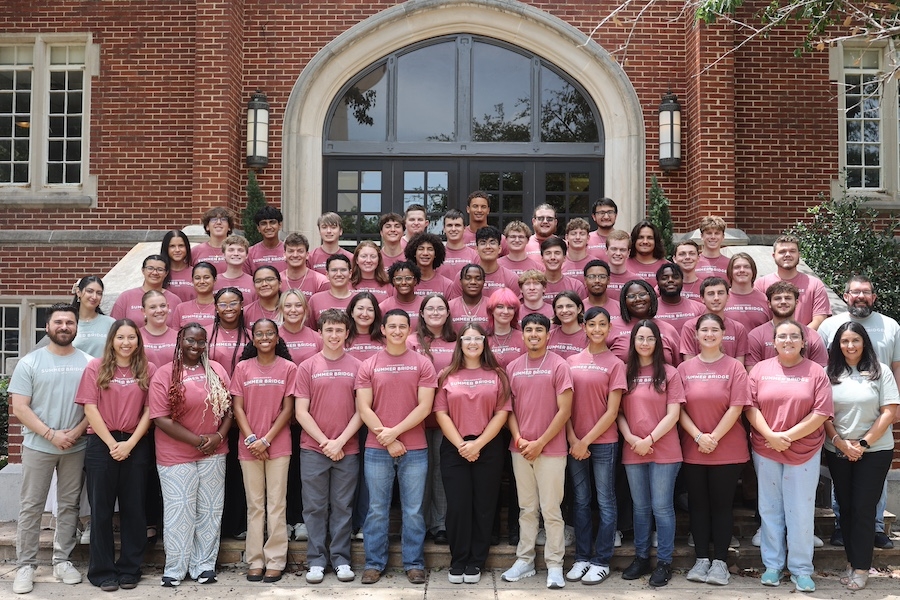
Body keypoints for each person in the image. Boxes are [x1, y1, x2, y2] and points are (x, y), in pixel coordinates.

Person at [746, 319, 832, 592]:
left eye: (794, 336)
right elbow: (750, 407)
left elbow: (821, 413)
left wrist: (788, 437)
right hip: (766, 447)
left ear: (804, 341)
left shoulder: (816, 371)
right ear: (773, 341)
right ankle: (772, 565)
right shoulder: (760, 370)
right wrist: (771, 436)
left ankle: (801, 568)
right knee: (770, 507)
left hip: (804, 450)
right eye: (782, 336)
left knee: (801, 510)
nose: (788, 341)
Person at [10, 304, 91, 595]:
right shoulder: (30, 363)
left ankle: (62, 560)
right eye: (59, 322)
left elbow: (94, 407)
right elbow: (20, 407)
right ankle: (26, 565)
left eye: (70, 322)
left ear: (76, 327)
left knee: (69, 506)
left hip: (76, 445)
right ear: (48, 327)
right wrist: (50, 434)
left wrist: (76, 432)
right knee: (31, 507)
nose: (64, 326)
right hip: (38, 446)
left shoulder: (88, 362)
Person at [354, 309, 438, 585]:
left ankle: (413, 563)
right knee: (377, 508)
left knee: (413, 509)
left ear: (409, 329)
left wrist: (394, 434)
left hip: (414, 448)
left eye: (403, 326)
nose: (398, 331)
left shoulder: (422, 363)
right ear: (384, 329)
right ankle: (374, 563)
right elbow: (363, 407)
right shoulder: (369, 364)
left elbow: (425, 406)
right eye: (393, 326)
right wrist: (387, 439)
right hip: (377, 450)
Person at [818, 274, 900, 550]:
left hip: (877, 414)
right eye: (855, 292)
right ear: (845, 296)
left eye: (866, 292)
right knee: (843, 482)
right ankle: (843, 526)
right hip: (840, 419)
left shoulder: (890, 326)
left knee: (873, 482)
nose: (861, 296)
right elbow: (821, 370)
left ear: (874, 297)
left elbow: (897, 368)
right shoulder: (829, 326)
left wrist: (894, 404)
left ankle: (875, 528)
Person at [148, 323, 232, 587]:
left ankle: (204, 565)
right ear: (180, 340)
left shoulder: (216, 369)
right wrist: (199, 441)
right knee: (179, 511)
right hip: (176, 455)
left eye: (201, 342)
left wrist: (217, 437)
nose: (195, 346)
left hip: (214, 452)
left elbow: (230, 409)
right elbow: (160, 418)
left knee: (209, 511)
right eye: (190, 341)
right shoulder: (165, 374)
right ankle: (175, 568)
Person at [75, 319, 155, 592]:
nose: (125, 342)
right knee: (102, 510)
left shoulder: (147, 368)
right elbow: (90, 408)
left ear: (138, 340)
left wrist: (130, 444)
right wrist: (112, 444)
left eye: (131, 337)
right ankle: (102, 571)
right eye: (120, 337)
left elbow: (149, 411)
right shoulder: (95, 367)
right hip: (101, 443)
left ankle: (130, 568)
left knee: (134, 509)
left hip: (136, 443)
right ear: (112, 340)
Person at [823, 322, 899, 591]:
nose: (850, 346)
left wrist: (863, 444)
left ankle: (862, 567)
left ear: (864, 342)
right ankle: (853, 560)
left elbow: (889, 412)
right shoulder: (828, 373)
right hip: (838, 450)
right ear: (837, 345)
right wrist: (840, 443)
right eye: (844, 341)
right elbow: (824, 415)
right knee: (845, 507)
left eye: (855, 340)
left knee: (864, 509)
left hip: (875, 451)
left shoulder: (881, 371)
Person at [677, 314, 751, 587]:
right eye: (704, 330)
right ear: (696, 335)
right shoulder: (684, 369)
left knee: (722, 506)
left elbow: (737, 406)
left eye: (714, 330)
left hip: (727, 449)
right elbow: (678, 408)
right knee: (698, 506)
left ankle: (720, 561)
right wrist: (698, 436)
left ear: (723, 334)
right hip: (693, 448)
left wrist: (714, 438)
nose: (709, 334)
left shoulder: (735, 367)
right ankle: (701, 559)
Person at [435, 323, 511, 584]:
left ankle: (476, 562)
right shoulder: (447, 374)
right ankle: (458, 560)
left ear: (484, 342)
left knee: (483, 506)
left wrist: (478, 444)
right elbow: (441, 413)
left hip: (487, 446)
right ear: (459, 344)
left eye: (477, 338)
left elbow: (502, 412)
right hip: (454, 446)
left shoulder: (497, 375)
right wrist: (461, 445)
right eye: (466, 339)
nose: (472, 343)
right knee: (458, 506)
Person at [501, 313, 573, 590]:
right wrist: (519, 438)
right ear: (522, 334)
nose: (533, 334)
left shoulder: (559, 365)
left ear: (548, 334)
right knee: (526, 509)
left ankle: (555, 565)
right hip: (520, 449)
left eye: (539, 330)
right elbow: (507, 409)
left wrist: (541, 442)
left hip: (551, 449)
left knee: (551, 510)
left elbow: (564, 410)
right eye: (528, 329)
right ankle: (525, 560)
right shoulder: (513, 366)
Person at [295, 309, 363, 584]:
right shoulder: (307, 366)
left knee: (343, 506)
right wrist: (326, 443)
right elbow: (301, 411)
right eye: (329, 330)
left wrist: (340, 442)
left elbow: (362, 410)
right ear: (320, 333)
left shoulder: (359, 366)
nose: (334, 335)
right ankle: (316, 561)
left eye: (339, 330)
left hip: (348, 448)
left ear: (347, 333)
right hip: (314, 449)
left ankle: (341, 559)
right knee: (314, 507)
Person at [616, 319, 684, 587]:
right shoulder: (624, 372)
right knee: (641, 508)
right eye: (640, 338)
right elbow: (618, 412)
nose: (644, 343)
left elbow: (674, 413)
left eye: (650, 338)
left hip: (664, 449)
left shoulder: (669, 373)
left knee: (662, 507)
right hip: (633, 448)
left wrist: (650, 438)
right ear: (633, 342)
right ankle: (641, 557)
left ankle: (664, 562)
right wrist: (633, 438)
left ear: (658, 343)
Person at [231, 319, 296, 584]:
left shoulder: (289, 368)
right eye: (260, 334)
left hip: (278, 445)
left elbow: (288, 409)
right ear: (253, 339)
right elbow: (237, 408)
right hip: (249, 447)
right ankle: (255, 560)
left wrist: (266, 440)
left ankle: (276, 560)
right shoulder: (242, 368)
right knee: (255, 505)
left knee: (276, 505)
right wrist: (252, 439)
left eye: (270, 333)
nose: (265, 337)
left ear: (278, 337)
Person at [564, 306, 625, 585]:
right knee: (580, 500)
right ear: (584, 328)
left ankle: (601, 560)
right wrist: (572, 438)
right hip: (574, 440)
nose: (597, 329)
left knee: (605, 500)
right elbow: (562, 407)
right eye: (592, 324)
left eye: (603, 324)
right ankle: (582, 557)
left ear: (609, 328)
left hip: (603, 443)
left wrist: (585, 441)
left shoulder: (615, 364)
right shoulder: (571, 361)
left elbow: (612, 411)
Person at [408, 294, 456, 545]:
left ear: (448, 313)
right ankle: (420, 523)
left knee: (440, 471)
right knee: (419, 473)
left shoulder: (456, 341)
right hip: (414, 418)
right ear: (422, 313)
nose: (435, 312)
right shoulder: (410, 342)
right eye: (430, 308)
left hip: (446, 417)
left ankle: (439, 524)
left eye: (441, 308)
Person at [753, 234, 830, 330]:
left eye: (792, 251)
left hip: (804, 341)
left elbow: (820, 318)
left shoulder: (815, 284)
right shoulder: (760, 284)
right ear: (774, 256)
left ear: (799, 254)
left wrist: (799, 337)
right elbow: (757, 318)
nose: (788, 255)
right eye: (782, 252)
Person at [746, 281, 828, 370]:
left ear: (796, 302)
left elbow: (820, 373)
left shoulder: (813, 336)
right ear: (769, 304)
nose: (783, 302)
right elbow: (752, 374)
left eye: (788, 298)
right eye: (777, 298)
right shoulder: (755, 336)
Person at [608, 279, 680, 365]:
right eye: (631, 296)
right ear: (624, 301)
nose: (638, 299)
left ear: (651, 296)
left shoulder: (668, 329)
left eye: (642, 294)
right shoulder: (611, 328)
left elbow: (678, 365)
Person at [680, 277, 748, 363]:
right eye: (710, 294)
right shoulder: (690, 326)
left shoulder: (738, 328)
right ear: (702, 298)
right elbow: (689, 364)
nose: (716, 298)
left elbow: (739, 365)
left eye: (720, 293)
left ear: (728, 297)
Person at [111, 254, 181, 325]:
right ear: (143, 270)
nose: (154, 273)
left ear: (166, 273)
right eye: (150, 268)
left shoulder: (175, 300)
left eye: (160, 269)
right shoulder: (126, 297)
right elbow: (115, 327)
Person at [451, 226, 519, 297]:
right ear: (476, 249)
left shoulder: (511, 278)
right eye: (483, 243)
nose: (488, 247)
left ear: (499, 248)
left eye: (492, 242)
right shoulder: (462, 276)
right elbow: (456, 305)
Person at [724, 252, 771, 331]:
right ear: (730, 272)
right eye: (737, 267)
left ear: (753, 271)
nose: (742, 270)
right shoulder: (720, 298)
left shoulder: (765, 300)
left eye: (746, 267)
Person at [71, 276, 115, 357]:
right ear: (78, 292)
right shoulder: (68, 322)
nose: (94, 297)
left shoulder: (111, 323)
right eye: (90, 291)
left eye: (99, 293)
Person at [655, 262, 705, 333]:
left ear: (682, 281)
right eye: (664, 278)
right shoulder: (650, 309)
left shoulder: (700, 309)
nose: (670, 280)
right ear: (658, 282)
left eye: (675, 277)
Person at [308, 254, 355, 327]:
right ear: (327, 274)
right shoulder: (315, 300)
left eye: (343, 270)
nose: (339, 274)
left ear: (350, 273)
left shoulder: (358, 300)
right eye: (334, 270)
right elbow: (311, 331)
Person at [280, 232, 330, 299]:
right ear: (284, 255)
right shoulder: (277, 280)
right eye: (291, 251)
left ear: (307, 255)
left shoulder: (320, 282)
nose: (295, 255)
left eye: (300, 251)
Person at [405, 232, 454, 299]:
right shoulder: (405, 282)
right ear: (414, 253)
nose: (425, 253)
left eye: (430, 249)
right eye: (421, 249)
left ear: (436, 254)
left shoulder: (447, 285)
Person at [278, 289, 322, 362]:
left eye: (298, 305)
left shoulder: (317, 338)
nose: (293, 310)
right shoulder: (273, 337)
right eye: (288, 306)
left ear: (305, 309)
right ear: (281, 309)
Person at [172, 262, 218, 329]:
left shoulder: (221, 308)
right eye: (197, 278)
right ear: (192, 281)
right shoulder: (181, 308)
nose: (202, 281)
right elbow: (175, 335)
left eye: (206, 277)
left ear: (215, 280)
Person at [486, 287, 524, 368]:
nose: (505, 311)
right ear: (491, 310)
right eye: (500, 307)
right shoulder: (483, 339)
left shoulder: (523, 338)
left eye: (510, 308)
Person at [540, 236, 587, 302]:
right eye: (548, 253)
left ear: (564, 258)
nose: (553, 257)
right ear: (542, 258)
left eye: (557, 253)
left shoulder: (575, 286)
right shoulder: (534, 286)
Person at [140, 290, 178, 368]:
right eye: (152, 307)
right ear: (143, 311)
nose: (159, 310)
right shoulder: (135, 337)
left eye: (162, 306)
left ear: (168, 307)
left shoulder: (179, 337)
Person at [378, 261, 422, 328]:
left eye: (408, 278)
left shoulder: (425, 304)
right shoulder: (383, 307)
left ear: (415, 281)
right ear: (393, 281)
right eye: (398, 279)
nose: (403, 282)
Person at [213, 235, 257, 302]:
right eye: (231, 250)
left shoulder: (254, 282)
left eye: (240, 250)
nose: (236, 253)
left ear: (247, 255)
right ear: (223, 255)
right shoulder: (213, 282)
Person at [345, 292, 386, 360]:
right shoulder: (342, 338)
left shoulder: (385, 340)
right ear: (352, 312)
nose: (364, 314)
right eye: (360, 308)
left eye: (370, 310)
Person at [439, 209, 479, 279]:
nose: (453, 229)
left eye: (457, 225)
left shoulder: (475, 256)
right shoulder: (436, 255)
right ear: (444, 229)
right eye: (449, 225)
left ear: (464, 228)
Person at [449, 264, 490, 331]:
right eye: (468, 278)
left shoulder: (491, 305)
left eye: (478, 278)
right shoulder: (450, 306)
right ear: (460, 282)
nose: (473, 282)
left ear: (483, 282)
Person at [247, 205, 286, 274]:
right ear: (258, 228)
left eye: (272, 222)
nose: (268, 227)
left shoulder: (290, 251)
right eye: (263, 223)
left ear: (280, 225)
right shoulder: (250, 253)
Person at [547, 291, 587, 359]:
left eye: (569, 306)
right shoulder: (548, 337)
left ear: (579, 308)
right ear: (555, 310)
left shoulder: (589, 338)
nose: (564, 310)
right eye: (560, 307)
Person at [626, 221, 666, 288]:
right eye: (640, 237)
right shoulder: (623, 265)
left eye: (650, 238)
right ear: (634, 240)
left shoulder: (666, 266)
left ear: (656, 241)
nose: (645, 242)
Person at [161, 230, 196, 302]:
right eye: (172, 246)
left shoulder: (196, 273)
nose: (177, 250)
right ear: (166, 248)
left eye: (181, 246)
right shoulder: (159, 273)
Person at [604, 229, 635, 301]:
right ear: (606, 250)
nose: (618, 253)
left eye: (622, 250)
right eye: (614, 249)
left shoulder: (637, 280)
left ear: (628, 252)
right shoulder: (597, 280)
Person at [561, 218, 592, 282]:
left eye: (582, 234)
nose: (578, 237)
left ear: (588, 238)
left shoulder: (595, 263)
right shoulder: (558, 262)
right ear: (566, 237)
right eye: (573, 233)